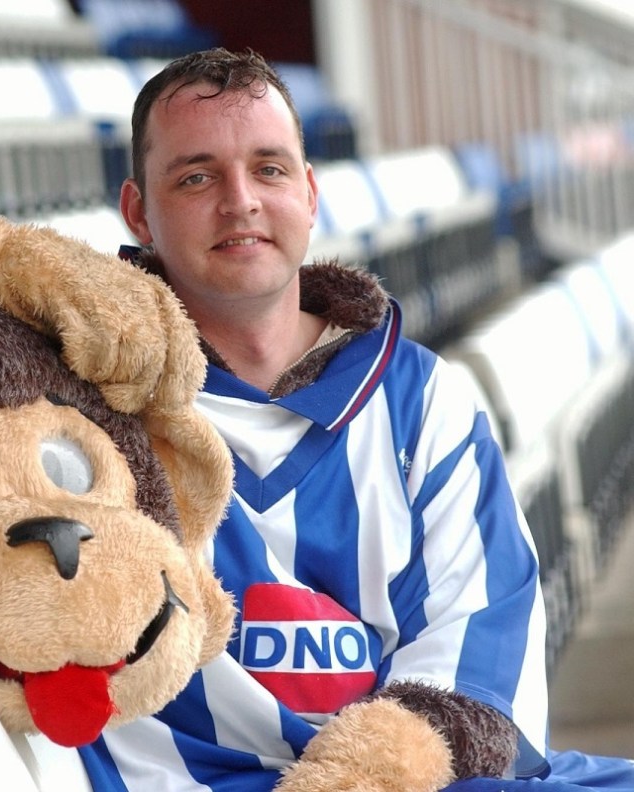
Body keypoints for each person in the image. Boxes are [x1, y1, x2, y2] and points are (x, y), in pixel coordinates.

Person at [70, 47, 634, 791]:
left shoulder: (424, 400)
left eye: (269, 169)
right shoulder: (83, 409)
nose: (241, 201)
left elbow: (477, 677)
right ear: (138, 211)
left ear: (309, 193)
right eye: (196, 177)